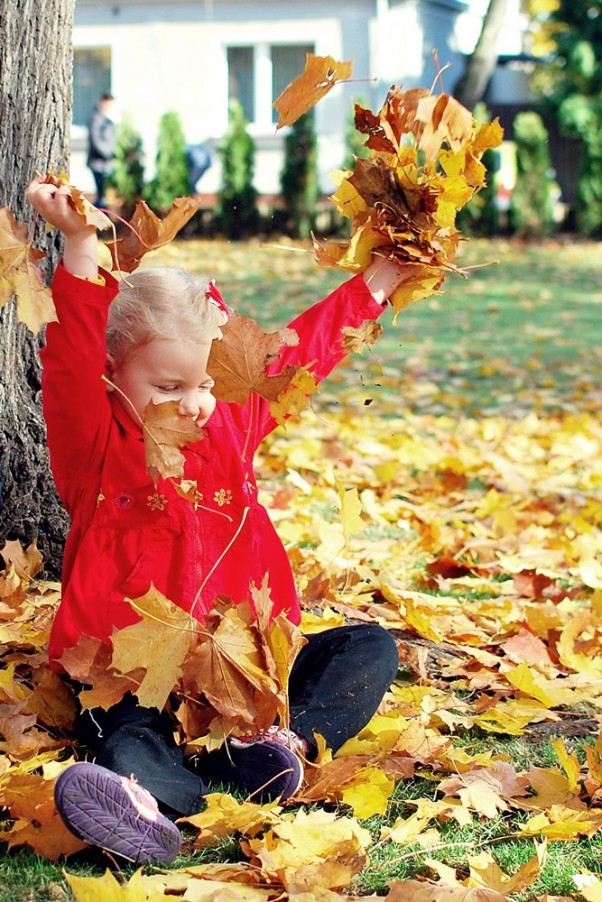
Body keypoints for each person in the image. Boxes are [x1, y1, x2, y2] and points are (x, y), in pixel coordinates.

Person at [25, 177, 410, 867]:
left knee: (369, 650)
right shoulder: (97, 445)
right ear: (115, 378)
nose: (197, 403)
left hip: (240, 678)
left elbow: (305, 354)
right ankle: (150, 804)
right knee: (126, 736)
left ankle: (272, 757)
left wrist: (380, 278)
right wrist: (80, 244)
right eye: (168, 387)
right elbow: (71, 356)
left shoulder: (234, 416)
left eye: (205, 382)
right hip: (133, 676)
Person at [87, 93, 117, 209]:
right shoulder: (96, 118)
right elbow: (95, 140)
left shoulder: (105, 117)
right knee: (100, 196)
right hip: (98, 162)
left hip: (105, 163)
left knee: (104, 194)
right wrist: (106, 152)